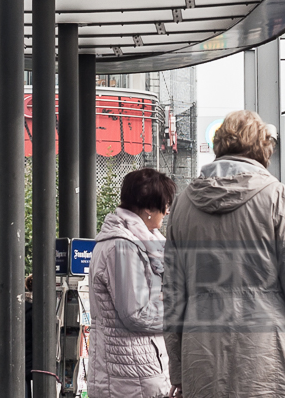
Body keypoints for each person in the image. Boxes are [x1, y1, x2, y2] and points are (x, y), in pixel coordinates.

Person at [164, 111, 285, 398]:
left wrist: (178, 368)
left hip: (201, 358)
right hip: (269, 357)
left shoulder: (182, 206)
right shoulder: (278, 197)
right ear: (263, 148)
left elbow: (171, 294)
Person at [87, 167, 177, 398]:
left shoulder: (140, 243)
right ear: (148, 208)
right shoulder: (122, 247)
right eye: (164, 205)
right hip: (128, 379)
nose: (166, 212)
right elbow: (137, 314)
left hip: (135, 372)